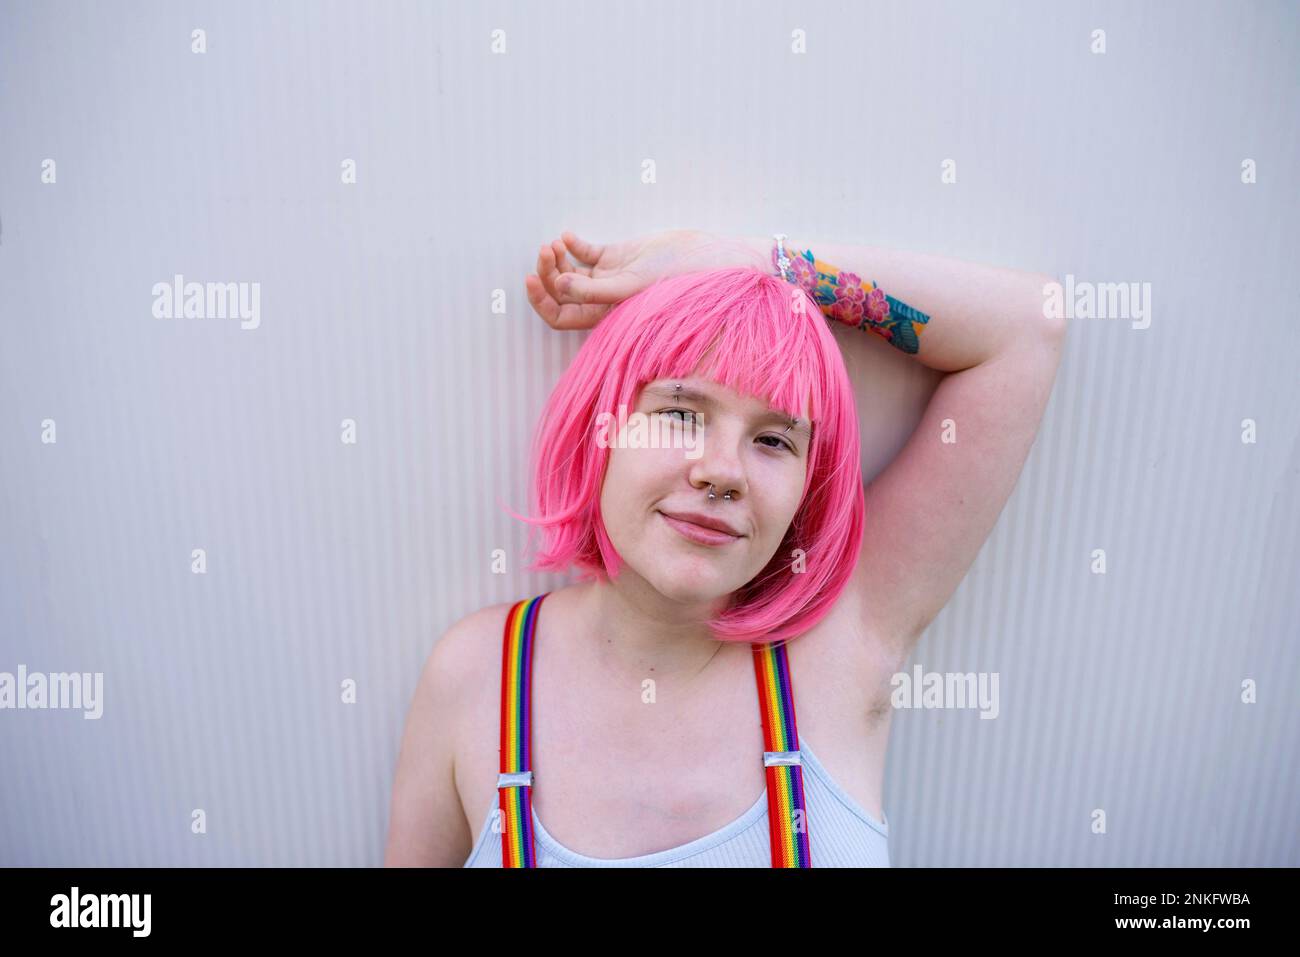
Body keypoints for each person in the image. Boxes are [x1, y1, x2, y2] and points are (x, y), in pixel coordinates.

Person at [384, 229, 1068, 867]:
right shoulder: (476, 677)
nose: (722, 471)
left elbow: (1027, 325)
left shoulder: (837, 649)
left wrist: (741, 258)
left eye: (773, 439)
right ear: (605, 430)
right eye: (681, 414)